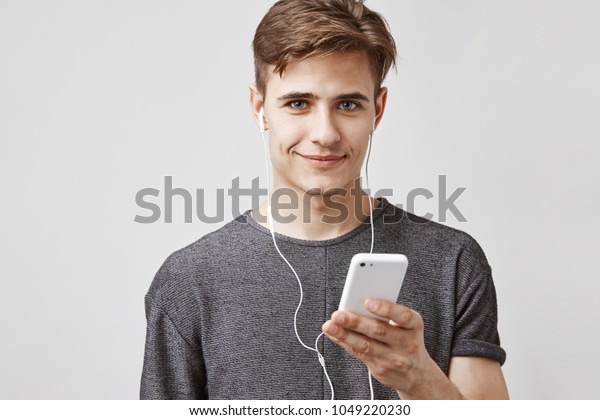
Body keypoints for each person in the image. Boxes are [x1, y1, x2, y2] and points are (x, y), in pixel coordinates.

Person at [140, 0, 508, 400]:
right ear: (260, 108)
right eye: (298, 103)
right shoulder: (189, 280)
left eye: (347, 104)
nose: (325, 133)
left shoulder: (452, 262)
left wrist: (419, 380)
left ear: (378, 110)